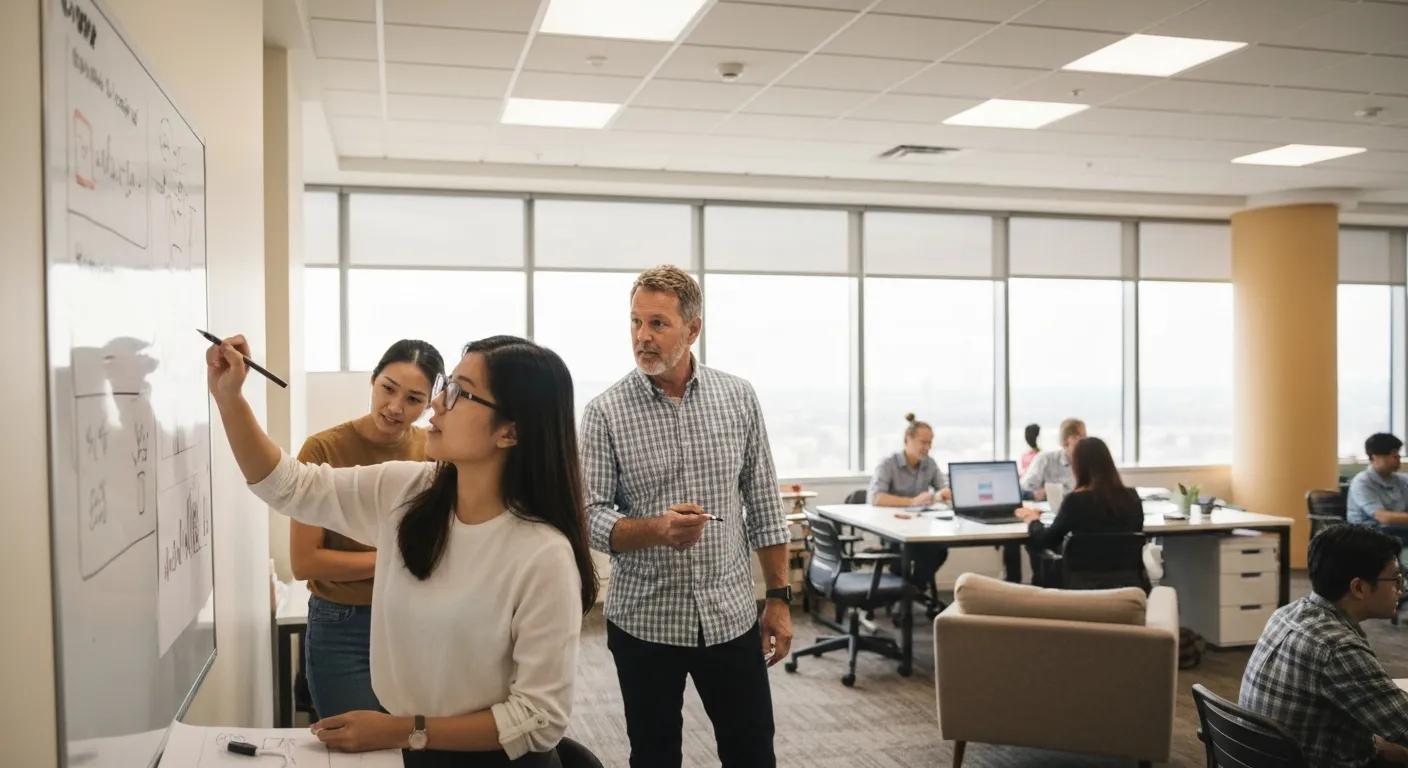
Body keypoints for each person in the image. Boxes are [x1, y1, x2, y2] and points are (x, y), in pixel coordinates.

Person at [207, 333, 596, 766]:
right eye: (446, 387)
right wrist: (229, 399)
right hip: (411, 748)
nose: (436, 405)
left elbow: (539, 718)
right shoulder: (408, 489)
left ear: (509, 432)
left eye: (459, 394)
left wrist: (403, 729)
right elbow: (289, 486)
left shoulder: (543, 555)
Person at [581, 265, 791, 768]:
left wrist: (779, 599)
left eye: (658, 324)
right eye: (635, 322)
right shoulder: (604, 411)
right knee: (654, 757)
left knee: (752, 752)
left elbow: (763, 502)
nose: (642, 337)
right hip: (645, 620)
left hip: (730, 616)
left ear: (693, 328)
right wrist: (656, 529)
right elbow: (588, 515)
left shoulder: (738, 397)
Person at [291, 339, 444, 719]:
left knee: (414, 745)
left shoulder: (434, 450)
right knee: (353, 749)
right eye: (388, 388)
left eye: (412, 399)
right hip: (343, 621)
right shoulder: (323, 450)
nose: (394, 407)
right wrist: (392, 559)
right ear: (373, 380)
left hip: (416, 617)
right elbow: (305, 561)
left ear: (429, 404)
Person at [1239, 524, 1408, 767]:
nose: (1401, 589)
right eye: (1395, 579)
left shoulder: (1287, 613)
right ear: (1359, 587)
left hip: (1259, 755)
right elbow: (1403, 724)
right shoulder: (1336, 647)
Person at [1016, 437, 1143, 588]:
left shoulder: (1076, 501)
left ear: (1078, 467)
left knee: (1034, 546)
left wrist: (1032, 520)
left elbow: (1046, 540)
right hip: (1128, 585)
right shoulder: (1131, 497)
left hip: (1081, 586)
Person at [868, 413, 951, 606]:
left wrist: (946, 493)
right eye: (923, 442)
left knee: (940, 550)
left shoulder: (929, 464)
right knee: (907, 555)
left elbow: (942, 488)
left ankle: (911, 591)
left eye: (930, 443)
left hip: (920, 528)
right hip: (892, 531)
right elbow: (876, 498)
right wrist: (912, 501)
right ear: (908, 440)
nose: (927, 448)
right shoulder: (888, 464)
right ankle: (908, 594)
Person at [1347, 432, 1408, 550]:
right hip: (1367, 533)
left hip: (1394, 529)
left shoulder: (1401, 480)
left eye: (1398, 455)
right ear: (1374, 457)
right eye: (1393, 455)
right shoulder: (1362, 482)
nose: (1398, 459)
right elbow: (1384, 517)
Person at [1021, 417, 1086, 500]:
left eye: (1084, 436)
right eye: (1076, 436)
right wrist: (1035, 494)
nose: (1082, 440)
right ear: (1065, 440)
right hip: (1049, 509)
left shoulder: (1088, 463)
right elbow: (1024, 488)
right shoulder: (1045, 459)